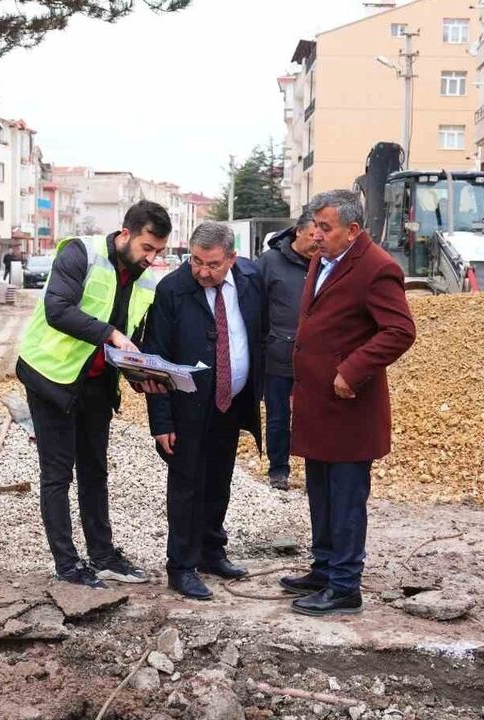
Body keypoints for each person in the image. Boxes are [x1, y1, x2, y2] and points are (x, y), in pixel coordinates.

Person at [16, 200, 170, 588]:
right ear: (125, 235)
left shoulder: (145, 280)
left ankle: (103, 556)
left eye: (159, 251)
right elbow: (57, 309)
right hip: (50, 376)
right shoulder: (80, 253)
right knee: (57, 474)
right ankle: (67, 564)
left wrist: (142, 375)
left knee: (94, 471)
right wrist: (111, 334)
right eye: (147, 248)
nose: (151, 258)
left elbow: (133, 338)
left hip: (97, 383)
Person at [282, 189, 416, 617]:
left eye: (326, 228)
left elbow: (399, 331)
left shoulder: (377, 268)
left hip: (349, 407)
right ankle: (324, 569)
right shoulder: (324, 260)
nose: (316, 235)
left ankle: (344, 587)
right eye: (315, 226)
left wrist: (351, 369)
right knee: (320, 494)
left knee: (345, 500)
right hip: (318, 404)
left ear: (352, 230)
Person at [143, 222, 264, 600]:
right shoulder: (173, 290)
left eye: (212, 264)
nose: (202, 272)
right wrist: (161, 420)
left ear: (231, 258)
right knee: (186, 487)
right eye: (196, 261)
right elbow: (156, 359)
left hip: (230, 402)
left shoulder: (249, 281)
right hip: (186, 409)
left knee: (218, 481)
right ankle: (181, 565)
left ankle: (212, 551)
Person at [255, 214, 319, 491]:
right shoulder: (269, 263)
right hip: (278, 355)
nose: (318, 244)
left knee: (315, 416)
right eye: (313, 238)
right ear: (298, 234)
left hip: (316, 357)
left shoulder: (325, 263)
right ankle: (278, 470)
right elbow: (254, 307)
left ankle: (317, 471)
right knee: (279, 416)